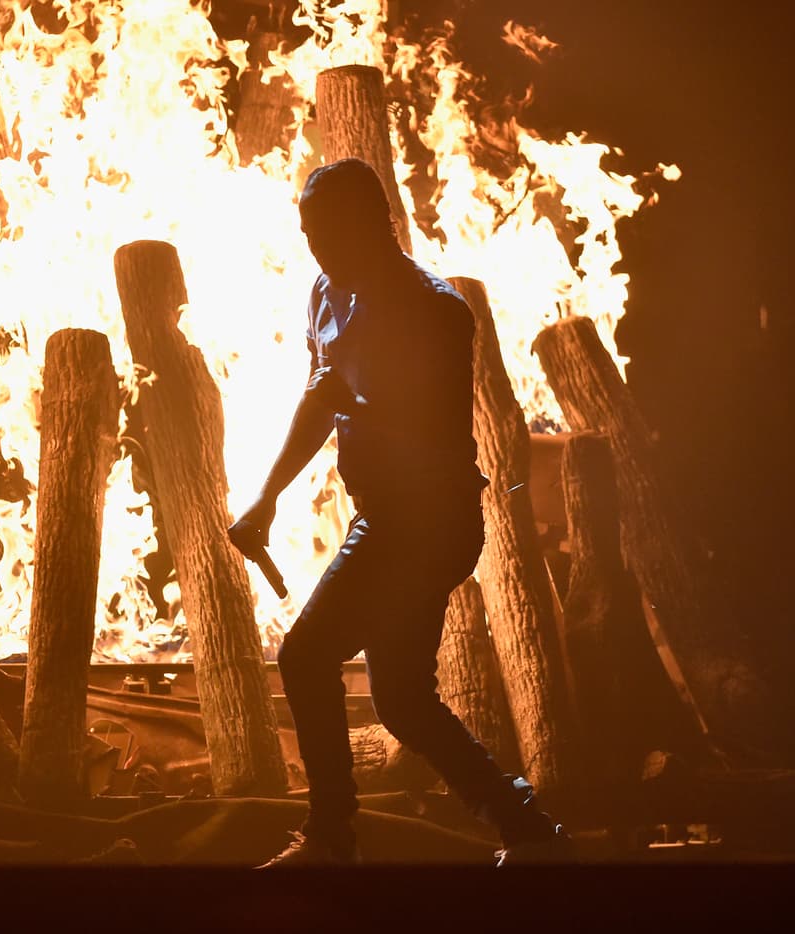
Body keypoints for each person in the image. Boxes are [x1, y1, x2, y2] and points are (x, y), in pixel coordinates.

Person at [231, 158, 570, 867]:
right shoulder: (325, 292)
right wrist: (268, 494)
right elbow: (322, 394)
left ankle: (330, 838)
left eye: (330, 231)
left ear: (376, 223)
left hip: (429, 520)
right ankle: (530, 831)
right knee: (405, 701)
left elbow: (433, 432)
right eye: (309, 233)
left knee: (305, 656)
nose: (317, 248)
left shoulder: (434, 310)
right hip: (385, 515)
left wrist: (360, 408)